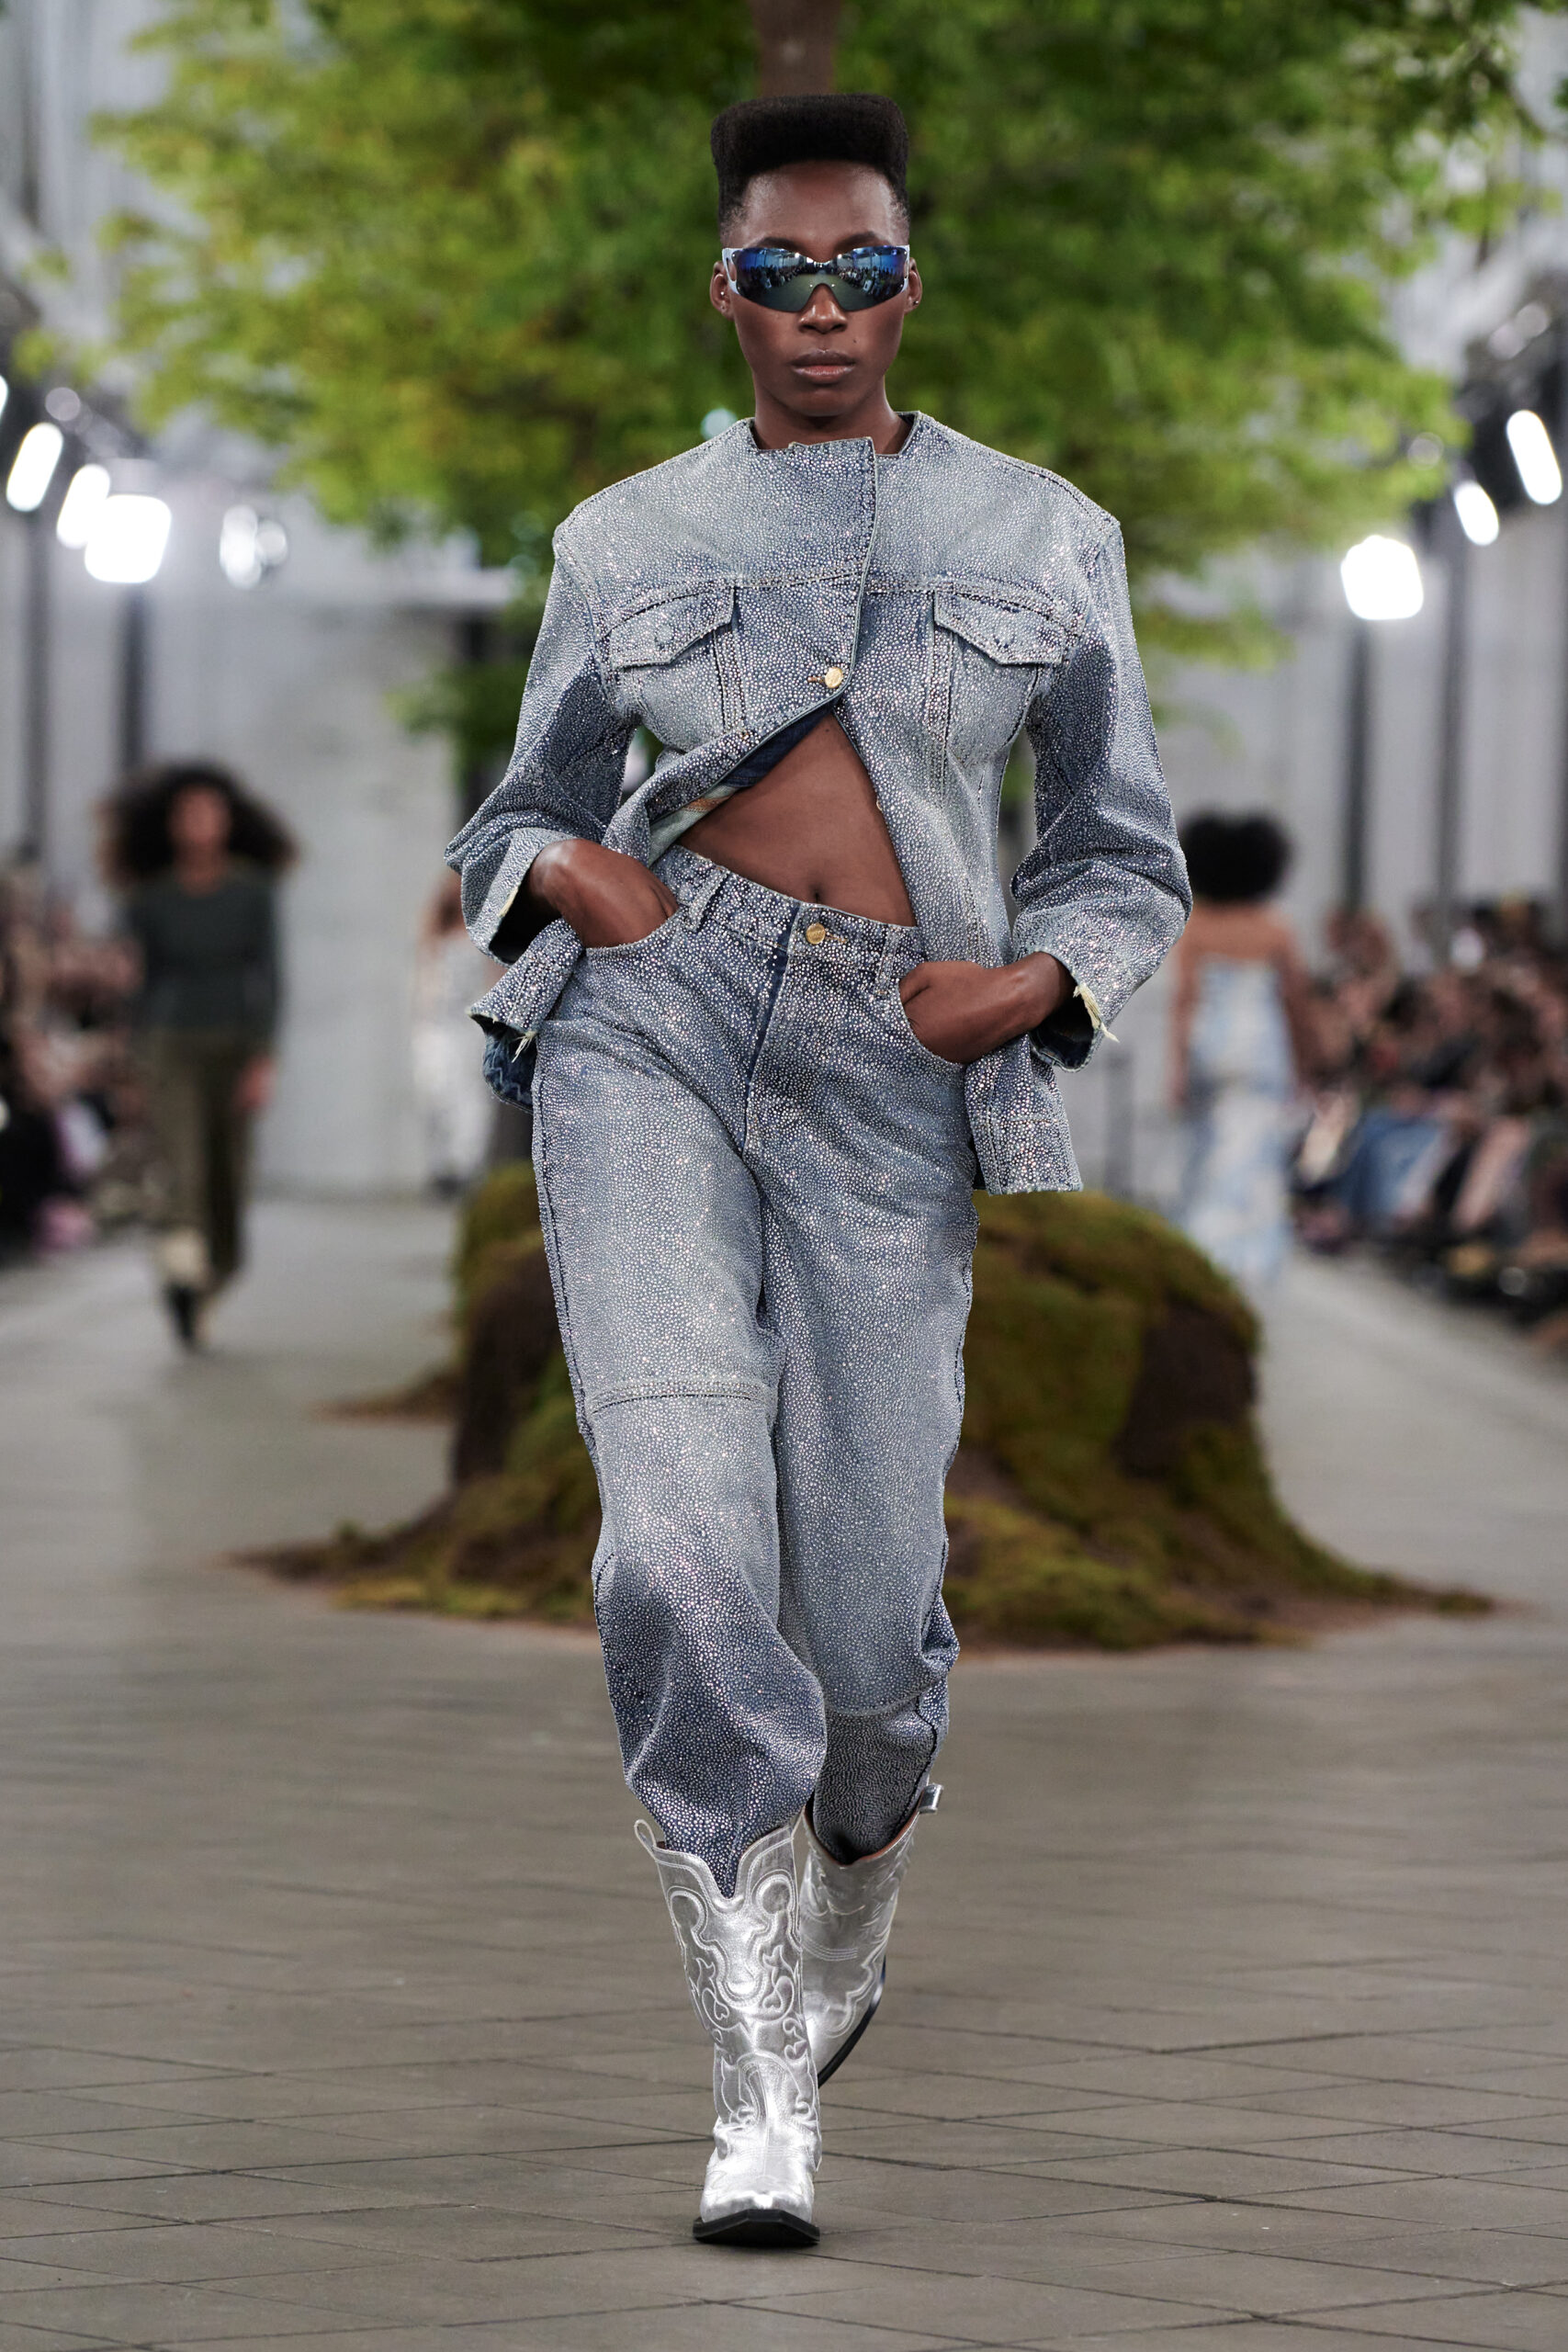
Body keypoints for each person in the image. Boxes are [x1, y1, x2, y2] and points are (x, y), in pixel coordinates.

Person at [448, 95, 1189, 2247]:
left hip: (896, 1060)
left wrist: (1035, 975)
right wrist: (571, 872)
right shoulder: (623, 538)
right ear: (726, 290)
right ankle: (754, 2071)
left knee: (865, 1602)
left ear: (907, 285)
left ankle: (859, 1853)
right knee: (678, 1541)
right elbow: (514, 813)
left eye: (858, 271)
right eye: (781, 273)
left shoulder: (1042, 532)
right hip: (649, 1031)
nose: (822, 308)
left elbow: (1118, 847)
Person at [107, 762, 294, 1346]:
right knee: (180, 1166)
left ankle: (212, 1275)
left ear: (228, 821)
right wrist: (131, 1063)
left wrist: (263, 1058)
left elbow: (272, 977)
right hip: (168, 1045)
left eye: (210, 812)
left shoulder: (253, 892)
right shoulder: (150, 899)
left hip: (234, 1045)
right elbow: (139, 986)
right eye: (187, 813)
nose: (199, 823)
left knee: (227, 1178)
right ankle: (182, 1271)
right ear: (169, 825)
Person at [1170, 811, 1313, 1293]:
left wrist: (1176, 1067)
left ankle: (1203, 1244)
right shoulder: (1276, 929)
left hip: (1210, 1046)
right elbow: (1296, 1001)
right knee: (1257, 1157)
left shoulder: (1197, 927)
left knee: (1207, 1151)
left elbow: (1185, 1001)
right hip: (1262, 1050)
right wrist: (1307, 1060)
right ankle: (1244, 1256)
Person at [411, 873, 497, 1193]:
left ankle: (465, 1166)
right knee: (435, 1093)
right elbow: (423, 979)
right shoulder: (434, 933)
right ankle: (440, 1164)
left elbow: (491, 979)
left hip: (470, 1027)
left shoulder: (482, 933)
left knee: (469, 1097)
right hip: (436, 1026)